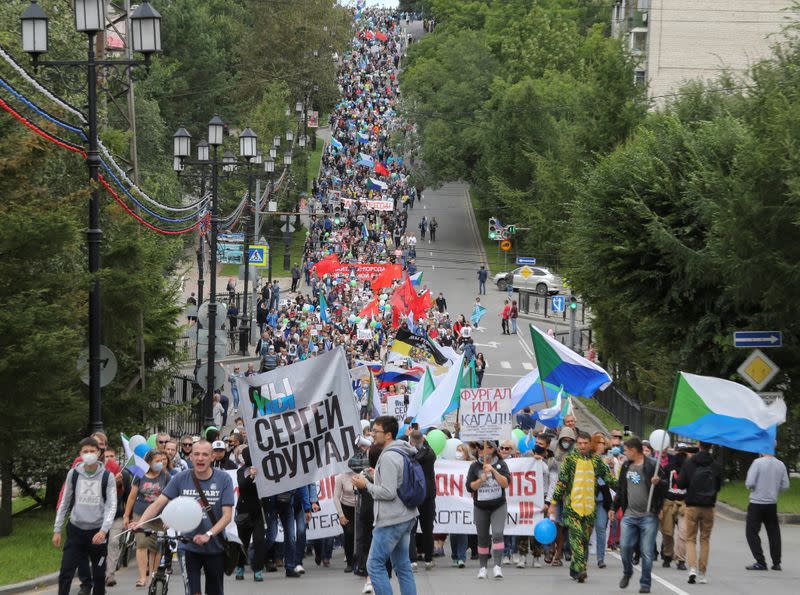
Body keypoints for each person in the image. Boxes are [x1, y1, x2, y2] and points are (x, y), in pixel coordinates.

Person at [130, 440, 235, 595]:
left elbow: (227, 516)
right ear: (190, 457)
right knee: (193, 592)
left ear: (212, 457)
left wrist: (208, 534)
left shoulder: (224, 479)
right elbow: (158, 504)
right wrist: (141, 522)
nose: (200, 458)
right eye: (197, 454)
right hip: (188, 546)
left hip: (214, 546)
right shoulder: (180, 478)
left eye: (205, 454)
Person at [351, 415, 418, 595]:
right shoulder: (402, 451)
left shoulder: (388, 457)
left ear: (388, 435)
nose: (372, 434)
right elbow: (395, 483)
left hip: (391, 519)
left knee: (373, 565)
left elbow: (388, 493)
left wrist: (366, 485)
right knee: (403, 565)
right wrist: (374, 478)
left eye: (376, 431)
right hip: (406, 515)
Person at [548, 431, 617, 584]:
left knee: (584, 541)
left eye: (585, 443)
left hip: (589, 509)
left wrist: (626, 487)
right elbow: (561, 483)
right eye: (580, 443)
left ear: (590, 444)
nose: (582, 446)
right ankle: (581, 570)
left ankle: (575, 568)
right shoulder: (570, 460)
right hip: (572, 508)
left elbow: (610, 480)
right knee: (576, 538)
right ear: (576, 444)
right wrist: (553, 503)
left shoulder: (597, 461)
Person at [53, 437, 116, 595]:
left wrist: (103, 530)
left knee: (99, 576)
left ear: (99, 452)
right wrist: (57, 529)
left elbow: (111, 505)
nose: (89, 454)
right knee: (65, 573)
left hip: (97, 533)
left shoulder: (107, 476)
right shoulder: (73, 474)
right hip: (76, 530)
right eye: (85, 452)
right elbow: (65, 502)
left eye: (92, 451)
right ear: (80, 454)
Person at [613, 437, 665, 594]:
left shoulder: (652, 465)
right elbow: (621, 489)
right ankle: (627, 572)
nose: (625, 453)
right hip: (629, 514)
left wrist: (659, 483)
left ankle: (645, 583)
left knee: (647, 551)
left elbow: (665, 488)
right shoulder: (626, 466)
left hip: (648, 515)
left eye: (626, 450)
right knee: (625, 547)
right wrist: (613, 508)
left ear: (634, 450)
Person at [123, 449, 171, 587]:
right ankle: (142, 577)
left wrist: (169, 518)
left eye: (161, 461)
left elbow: (169, 498)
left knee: (156, 547)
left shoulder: (166, 476)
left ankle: (153, 576)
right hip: (141, 514)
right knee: (142, 544)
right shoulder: (140, 474)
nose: (160, 463)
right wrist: (127, 515)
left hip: (159, 516)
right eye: (157, 461)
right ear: (149, 462)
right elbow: (132, 496)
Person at [676, 441, 722, 585]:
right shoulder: (715, 464)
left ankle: (692, 569)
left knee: (690, 538)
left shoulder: (690, 463)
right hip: (708, 506)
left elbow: (681, 483)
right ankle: (702, 573)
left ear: (699, 445)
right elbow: (718, 486)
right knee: (705, 539)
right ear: (711, 447)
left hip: (692, 505)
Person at [466, 441, 511, 579]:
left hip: (498, 505)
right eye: (480, 447)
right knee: (482, 538)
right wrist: (480, 480)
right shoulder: (474, 466)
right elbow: (469, 487)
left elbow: (505, 483)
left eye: (487, 447)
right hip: (481, 507)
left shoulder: (501, 464)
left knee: (497, 533)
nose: (482, 450)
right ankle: (483, 568)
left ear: (494, 449)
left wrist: (493, 471)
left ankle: (497, 566)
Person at [744, 452, 790, 571]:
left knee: (751, 532)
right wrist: (774, 489)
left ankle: (760, 561)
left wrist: (753, 488)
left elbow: (749, 483)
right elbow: (785, 485)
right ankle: (776, 562)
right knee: (774, 532)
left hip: (756, 502)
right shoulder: (780, 464)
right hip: (771, 503)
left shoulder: (757, 463)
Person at [235, 448, 267, 581]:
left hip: (258, 511)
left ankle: (258, 569)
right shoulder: (241, 471)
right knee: (243, 542)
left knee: (259, 540)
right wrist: (252, 475)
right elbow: (242, 485)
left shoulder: (263, 470)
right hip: (244, 511)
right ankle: (240, 567)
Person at [408, 430, 436, 570]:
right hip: (419, 496)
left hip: (422, 496)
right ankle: (421, 559)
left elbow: (417, 458)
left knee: (422, 529)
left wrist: (413, 446)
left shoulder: (425, 453)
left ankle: (423, 558)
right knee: (417, 529)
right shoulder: (426, 452)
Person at [660, 443, 691, 570]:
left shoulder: (690, 469)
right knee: (667, 532)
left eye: (684, 451)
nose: (681, 454)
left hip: (684, 504)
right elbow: (662, 487)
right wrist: (660, 506)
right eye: (680, 451)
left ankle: (681, 559)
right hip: (668, 502)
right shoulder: (667, 468)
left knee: (683, 532)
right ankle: (667, 555)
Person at [334, 466, 358, 573]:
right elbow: (336, 497)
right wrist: (341, 515)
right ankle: (349, 562)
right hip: (346, 508)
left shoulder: (362, 474)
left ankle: (361, 561)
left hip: (360, 508)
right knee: (349, 533)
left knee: (360, 535)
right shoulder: (340, 477)